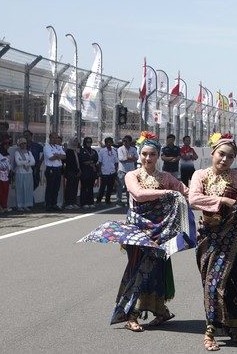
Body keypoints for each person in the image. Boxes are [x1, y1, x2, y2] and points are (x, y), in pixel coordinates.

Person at [80, 131, 193, 332]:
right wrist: (168, 192)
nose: (148, 158)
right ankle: (131, 314)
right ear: (139, 155)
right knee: (136, 269)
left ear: (158, 156)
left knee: (157, 270)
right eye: (144, 154)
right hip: (137, 231)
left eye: (152, 154)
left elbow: (186, 192)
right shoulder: (132, 175)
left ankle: (161, 311)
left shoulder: (166, 177)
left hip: (161, 231)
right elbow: (139, 195)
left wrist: (202, 198)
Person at [189, 132, 237, 351]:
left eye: (230, 156)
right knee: (210, 281)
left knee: (228, 280)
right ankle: (224, 323)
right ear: (212, 152)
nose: (225, 159)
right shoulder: (200, 175)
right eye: (221, 154)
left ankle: (216, 329)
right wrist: (223, 199)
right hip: (207, 236)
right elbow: (194, 199)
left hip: (232, 235)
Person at [42, 133, 66, 211]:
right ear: (50, 138)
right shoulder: (46, 147)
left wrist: (57, 155)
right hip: (51, 169)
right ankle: (48, 204)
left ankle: (54, 203)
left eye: (56, 138)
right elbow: (51, 158)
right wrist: (59, 156)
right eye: (53, 138)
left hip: (58, 169)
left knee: (56, 187)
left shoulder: (58, 147)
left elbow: (64, 156)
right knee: (50, 187)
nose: (55, 139)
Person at [12, 137, 35, 211]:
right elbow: (18, 163)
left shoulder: (29, 152)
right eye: (22, 143)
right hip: (20, 173)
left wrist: (24, 162)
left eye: (25, 143)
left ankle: (26, 205)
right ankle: (19, 205)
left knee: (28, 189)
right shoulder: (17, 152)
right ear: (19, 144)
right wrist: (27, 162)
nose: (23, 145)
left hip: (28, 173)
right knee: (20, 189)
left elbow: (33, 162)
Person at [117, 135, 139, 206]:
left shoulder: (133, 149)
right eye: (123, 141)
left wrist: (128, 158)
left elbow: (136, 157)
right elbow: (121, 159)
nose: (124, 142)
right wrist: (130, 158)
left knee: (129, 187)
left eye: (126, 141)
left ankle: (129, 200)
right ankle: (119, 200)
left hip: (131, 171)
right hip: (122, 170)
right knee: (120, 186)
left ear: (130, 142)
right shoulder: (120, 149)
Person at [78, 137, 99, 208]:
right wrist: (90, 162)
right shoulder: (82, 150)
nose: (89, 143)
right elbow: (82, 160)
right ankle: (83, 202)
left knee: (90, 187)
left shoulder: (93, 151)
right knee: (84, 187)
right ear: (84, 142)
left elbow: (96, 159)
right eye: (87, 142)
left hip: (92, 171)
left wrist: (90, 162)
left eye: (90, 142)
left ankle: (90, 202)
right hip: (84, 171)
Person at [97, 137, 119, 204]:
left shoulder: (114, 151)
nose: (109, 144)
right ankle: (99, 200)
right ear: (105, 143)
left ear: (112, 143)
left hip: (112, 171)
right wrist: (99, 171)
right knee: (102, 187)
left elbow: (116, 162)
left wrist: (115, 170)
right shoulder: (102, 151)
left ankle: (107, 200)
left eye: (110, 142)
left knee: (110, 187)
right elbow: (100, 162)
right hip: (104, 171)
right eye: (107, 142)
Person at [63, 137, 81, 210]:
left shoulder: (76, 151)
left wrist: (79, 170)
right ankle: (68, 203)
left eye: (77, 141)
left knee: (75, 187)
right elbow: (70, 163)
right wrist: (76, 170)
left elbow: (78, 162)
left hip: (76, 171)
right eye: (74, 141)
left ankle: (73, 202)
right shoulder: (69, 151)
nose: (76, 143)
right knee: (70, 187)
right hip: (70, 171)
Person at [0, 137, 13, 212]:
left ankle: (5, 205)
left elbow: (9, 164)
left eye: (9, 144)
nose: (7, 145)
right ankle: (1, 206)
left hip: (7, 175)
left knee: (6, 191)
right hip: (0, 175)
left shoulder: (7, 153)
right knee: (0, 191)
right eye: (6, 144)